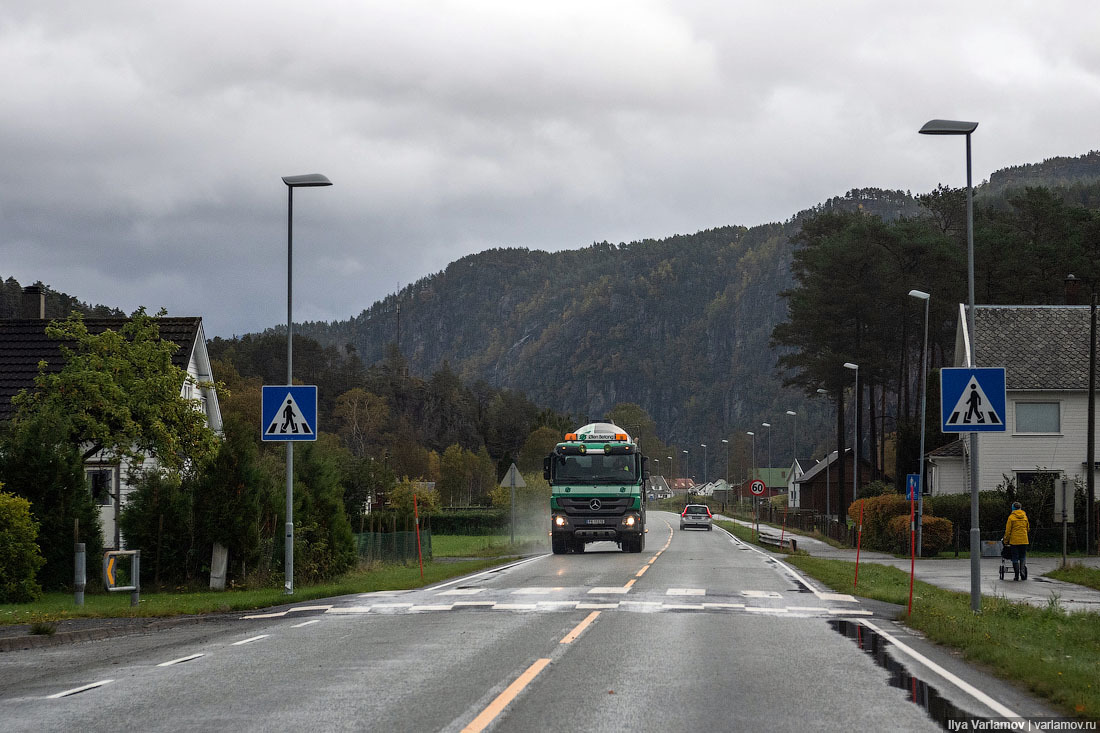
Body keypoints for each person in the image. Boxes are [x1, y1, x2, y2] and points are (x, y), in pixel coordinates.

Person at [1003, 501, 1030, 581]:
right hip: (1024, 540)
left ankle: (1016, 575)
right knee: (1023, 556)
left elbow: (1008, 531)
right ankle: (1022, 572)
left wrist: (1006, 541)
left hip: (1014, 541)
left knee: (1015, 557)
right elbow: (1028, 528)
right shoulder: (1025, 517)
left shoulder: (1011, 517)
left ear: (1013, 508)